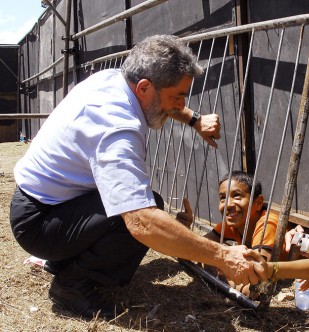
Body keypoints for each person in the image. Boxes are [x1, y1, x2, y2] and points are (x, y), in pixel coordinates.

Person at [9, 35, 265, 320]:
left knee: (139, 204)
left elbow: (160, 101)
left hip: (51, 204)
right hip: (40, 222)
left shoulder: (114, 79)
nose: (179, 103)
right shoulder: (116, 129)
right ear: (144, 87)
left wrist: (194, 119)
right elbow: (142, 222)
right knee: (138, 213)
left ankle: (66, 260)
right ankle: (72, 286)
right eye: (177, 96)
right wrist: (224, 256)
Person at [192, 171, 287, 296]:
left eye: (236, 196)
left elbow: (255, 289)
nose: (228, 204)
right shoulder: (232, 224)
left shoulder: (267, 223)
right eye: (222, 198)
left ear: (258, 203)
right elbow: (196, 249)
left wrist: (214, 269)